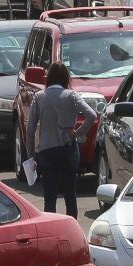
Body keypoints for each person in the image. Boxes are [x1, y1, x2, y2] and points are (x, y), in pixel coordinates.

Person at [24, 61, 99, 217]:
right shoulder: (71, 95)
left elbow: (30, 130)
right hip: (68, 149)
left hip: (46, 151)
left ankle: (52, 232)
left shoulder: (39, 97)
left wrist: (30, 157)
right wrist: (78, 133)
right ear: (66, 78)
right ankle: (73, 231)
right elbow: (91, 115)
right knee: (70, 194)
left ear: (48, 78)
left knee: (49, 197)